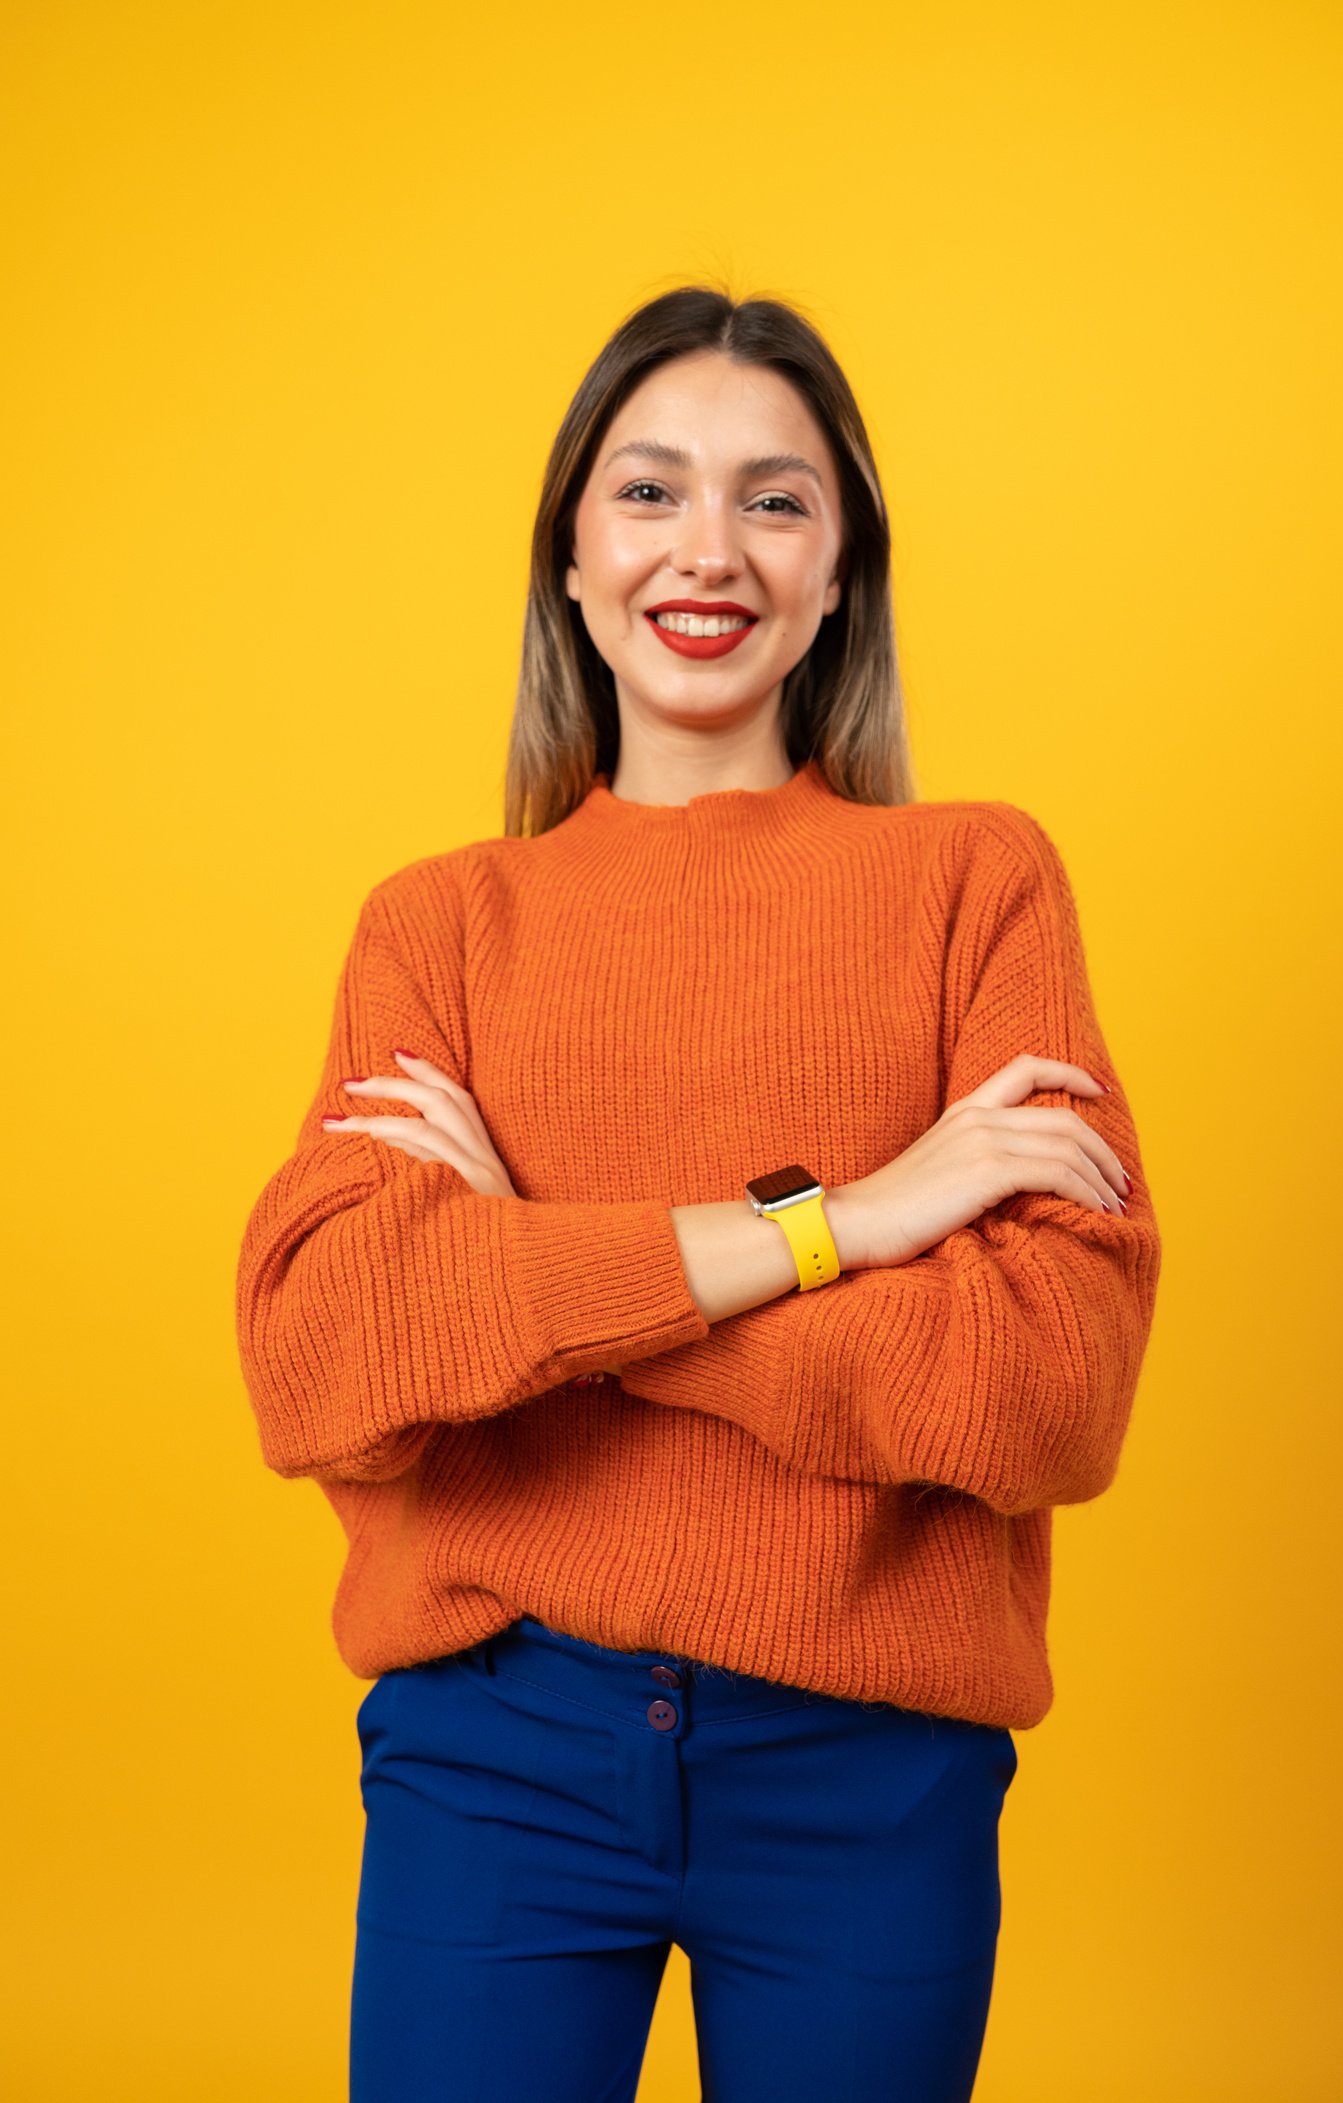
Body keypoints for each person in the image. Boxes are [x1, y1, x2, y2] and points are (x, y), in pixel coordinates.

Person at [235, 284, 1162, 2103]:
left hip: (868, 1762)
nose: (708, 549)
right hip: (495, 1747)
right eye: (649, 492)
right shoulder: (438, 930)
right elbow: (320, 1362)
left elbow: (1052, 1386)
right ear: (570, 562)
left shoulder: (977, 888)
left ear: (839, 577)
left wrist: (528, 1269)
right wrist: (854, 1222)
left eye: (777, 499)